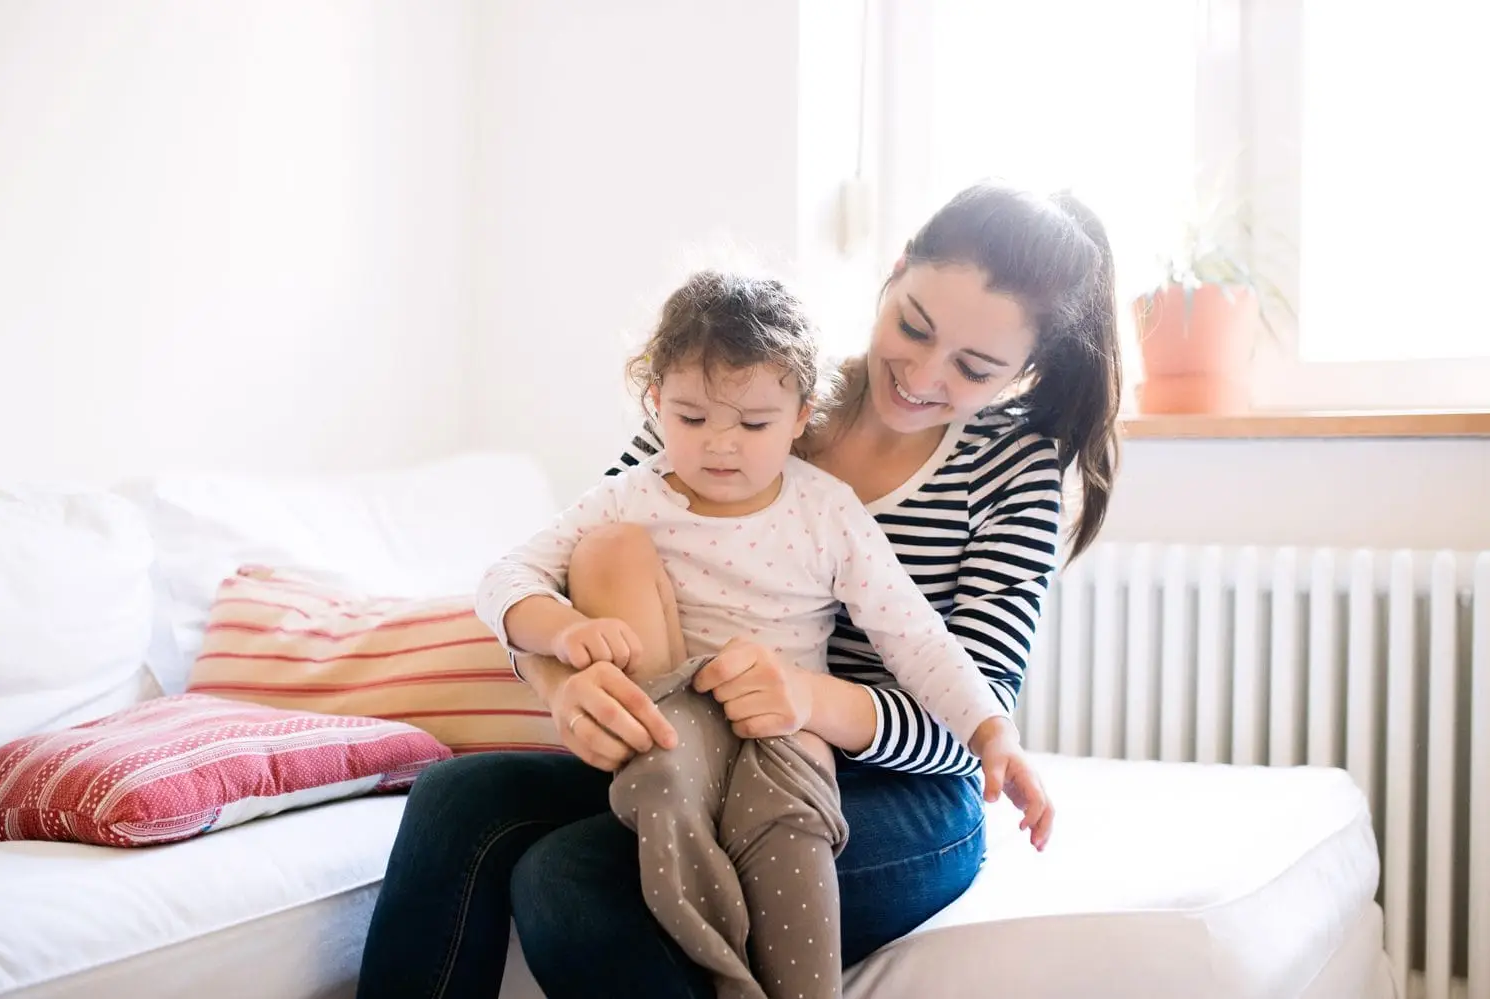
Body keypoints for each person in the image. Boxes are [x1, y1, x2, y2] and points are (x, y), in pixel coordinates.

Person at [356, 181, 1121, 999]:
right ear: (895, 273)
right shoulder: (742, 384)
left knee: (569, 879)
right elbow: (571, 559)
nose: (922, 374)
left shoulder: (1014, 466)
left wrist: (804, 697)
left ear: (1025, 368)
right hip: (695, 735)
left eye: (974, 367)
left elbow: (969, 709)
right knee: (454, 796)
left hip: (892, 788)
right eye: (914, 325)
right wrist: (562, 682)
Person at [476, 269, 1049, 999]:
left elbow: (920, 639)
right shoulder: (636, 490)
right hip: (672, 730)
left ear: (800, 415)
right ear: (657, 404)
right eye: (690, 418)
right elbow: (507, 578)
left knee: (786, 842)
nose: (720, 444)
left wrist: (993, 731)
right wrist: (560, 640)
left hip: (786, 737)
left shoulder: (827, 510)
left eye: (752, 424)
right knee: (513, 797)